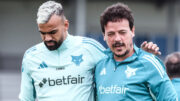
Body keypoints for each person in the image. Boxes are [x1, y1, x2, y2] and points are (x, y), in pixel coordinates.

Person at [19, 1, 161, 101]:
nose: (47, 38)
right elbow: (25, 98)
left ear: (66, 25)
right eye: (42, 33)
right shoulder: (31, 57)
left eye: (53, 32)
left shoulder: (89, 47)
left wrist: (143, 56)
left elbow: (119, 59)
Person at [95, 2, 178, 101]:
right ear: (104, 35)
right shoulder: (100, 65)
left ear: (132, 31)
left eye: (122, 32)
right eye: (111, 34)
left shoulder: (149, 63)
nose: (117, 38)